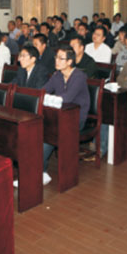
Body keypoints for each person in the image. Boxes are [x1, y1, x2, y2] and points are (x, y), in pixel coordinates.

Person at [35, 45, 89, 182]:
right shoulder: (57, 75)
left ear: (70, 62)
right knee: (36, 130)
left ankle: (39, 173)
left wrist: (50, 99)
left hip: (76, 118)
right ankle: (37, 171)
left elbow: (68, 98)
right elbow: (43, 91)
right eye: (56, 57)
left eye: (61, 58)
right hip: (59, 116)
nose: (56, 61)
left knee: (48, 134)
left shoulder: (79, 76)